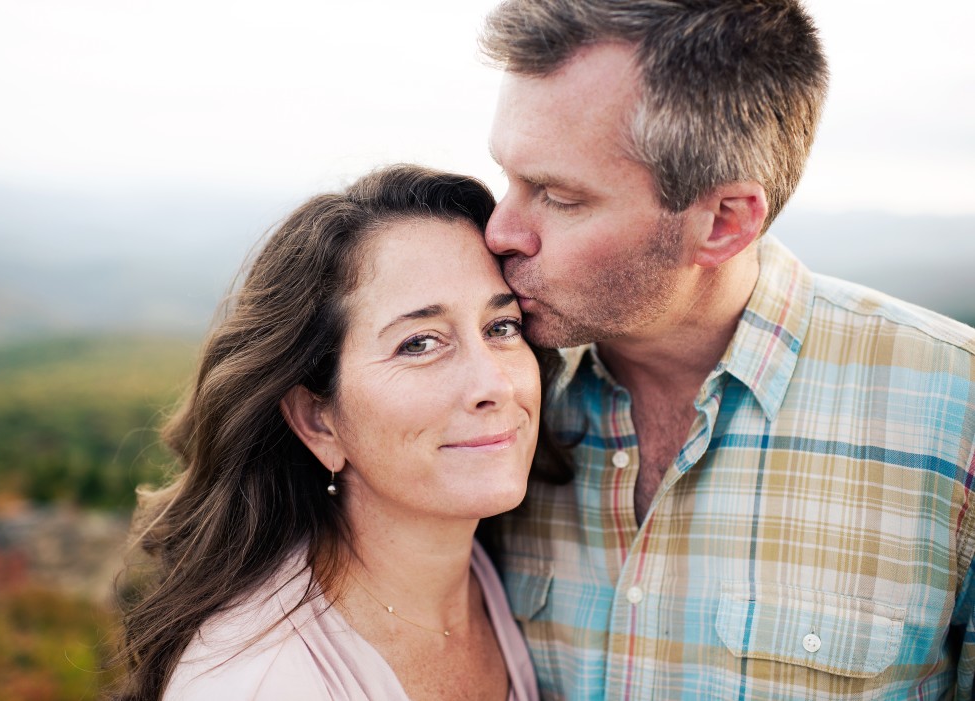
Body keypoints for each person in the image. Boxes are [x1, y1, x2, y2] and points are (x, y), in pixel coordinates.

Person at [478, 1, 975, 699]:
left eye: (557, 195)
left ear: (722, 223)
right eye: (508, 176)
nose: (500, 231)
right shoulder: (486, 409)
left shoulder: (958, 416)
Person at [111, 164, 569, 700]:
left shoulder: (494, 576)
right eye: (420, 343)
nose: (493, 383)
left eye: (502, 328)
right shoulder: (259, 683)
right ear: (317, 419)